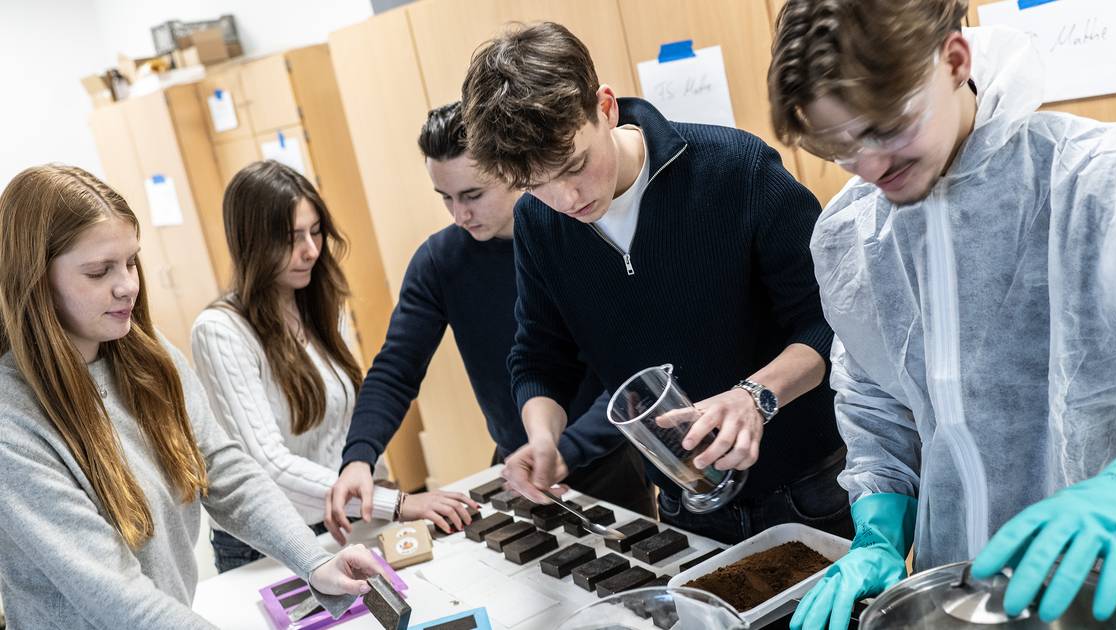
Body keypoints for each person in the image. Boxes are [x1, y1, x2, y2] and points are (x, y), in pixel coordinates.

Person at [767, 2, 1116, 628]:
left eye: (885, 129)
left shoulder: (1115, 183)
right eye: (836, 146)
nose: (869, 168)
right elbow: (877, 403)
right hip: (953, 599)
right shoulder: (852, 233)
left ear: (954, 60)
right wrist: (880, 532)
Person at [461, 22, 852, 544]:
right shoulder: (539, 223)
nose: (566, 199)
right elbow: (540, 357)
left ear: (605, 107)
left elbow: (831, 322)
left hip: (809, 486)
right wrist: (543, 437)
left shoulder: (737, 169)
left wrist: (755, 396)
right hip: (684, 499)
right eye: (536, 184)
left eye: (575, 165)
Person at [0, 164, 382, 629]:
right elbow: (114, 595)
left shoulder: (148, 354)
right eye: (99, 271)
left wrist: (315, 561)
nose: (128, 285)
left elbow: (224, 471)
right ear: (35, 279)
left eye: (131, 262)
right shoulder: (12, 422)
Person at [326, 103, 655, 543]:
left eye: (472, 195)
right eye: (445, 197)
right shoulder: (439, 262)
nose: (458, 214)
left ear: (512, 171)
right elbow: (396, 369)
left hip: (607, 460)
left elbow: (631, 371)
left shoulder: (580, 233)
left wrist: (567, 448)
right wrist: (359, 458)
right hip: (515, 468)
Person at [191, 160, 476, 571]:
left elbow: (348, 419)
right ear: (251, 242)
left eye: (315, 231)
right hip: (268, 541)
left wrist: (374, 481)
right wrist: (395, 503)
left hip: (343, 517)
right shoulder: (220, 331)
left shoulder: (320, 306)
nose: (310, 250)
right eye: (291, 238)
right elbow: (269, 465)